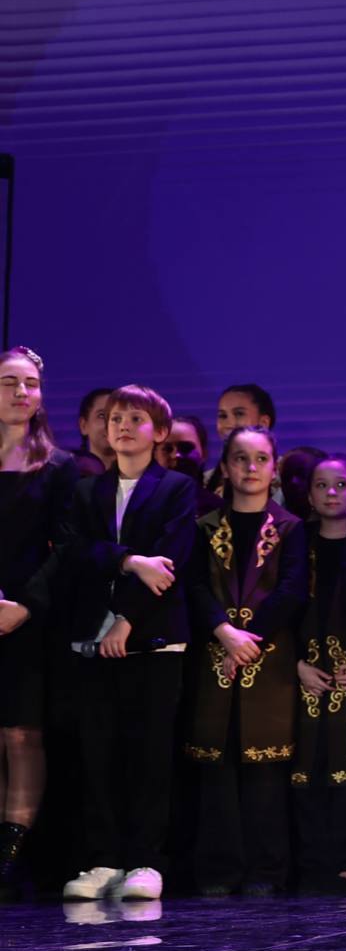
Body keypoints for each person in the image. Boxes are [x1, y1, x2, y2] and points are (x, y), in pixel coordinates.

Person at [58, 384, 198, 902]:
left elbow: (171, 562)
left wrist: (126, 621)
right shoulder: (87, 491)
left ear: (158, 432)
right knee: (99, 752)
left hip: (154, 640)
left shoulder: (176, 488)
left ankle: (146, 860)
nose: (122, 426)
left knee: (148, 752)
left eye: (135, 419)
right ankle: (103, 859)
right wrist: (127, 560)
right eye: (115, 418)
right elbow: (75, 551)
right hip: (93, 640)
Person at [186, 426, 306, 896]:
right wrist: (225, 632)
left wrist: (248, 640)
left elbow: (291, 590)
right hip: (216, 656)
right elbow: (195, 586)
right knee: (216, 765)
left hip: (268, 659)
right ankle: (219, 869)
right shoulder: (204, 526)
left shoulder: (291, 528)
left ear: (274, 468)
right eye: (240, 458)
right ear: (225, 466)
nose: (251, 468)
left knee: (264, 771)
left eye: (260, 459)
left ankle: (266, 871)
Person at [0, 348, 81, 899]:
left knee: (22, 733)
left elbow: (67, 547)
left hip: (29, 616)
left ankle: (11, 856)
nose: (21, 392)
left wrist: (24, 605)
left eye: (30, 383)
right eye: (9, 382)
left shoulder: (57, 465)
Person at [292, 454, 346, 893]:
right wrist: (295, 664)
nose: (331, 493)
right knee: (307, 767)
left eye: (340, 484)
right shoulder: (296, 541)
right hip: (302, 672)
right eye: (321, 485)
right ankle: (311, 863)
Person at [207, 384, 276, 494]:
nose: (229, 423)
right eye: (223, 416)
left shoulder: (283, 473)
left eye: (239, 414)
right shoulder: (207, 480)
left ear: (263, 423)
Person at [73, 387, 115, 475]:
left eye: (117, 417)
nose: (110, 423)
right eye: (101, 415)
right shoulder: (68, 476)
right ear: (83, 426)